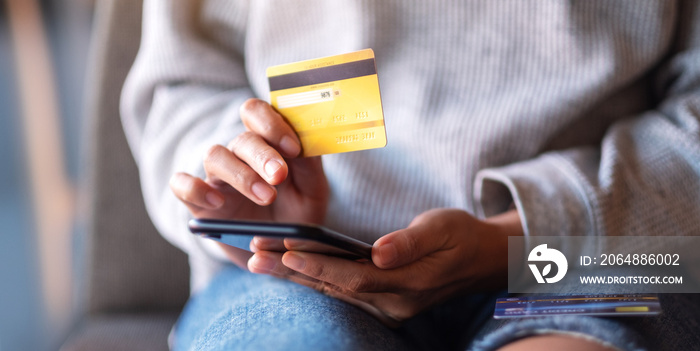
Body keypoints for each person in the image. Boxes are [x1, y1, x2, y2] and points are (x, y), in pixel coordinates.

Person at [120, 1, 700, 350]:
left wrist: (518, 237)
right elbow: (182, 86)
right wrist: (241, 183)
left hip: (599, 254)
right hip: (293, 266)